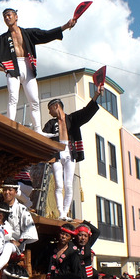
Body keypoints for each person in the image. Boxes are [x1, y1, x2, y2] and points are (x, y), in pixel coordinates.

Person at [0, 8, 77, 130]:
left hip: (27, 66)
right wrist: (2, 68)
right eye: (4, 17)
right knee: (13, 97)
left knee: (34, 100)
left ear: (16, 17)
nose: (7, 18)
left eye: (9, 15)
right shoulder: (2, 39)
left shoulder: (28, 33)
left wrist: (65, 26)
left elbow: (45, 35)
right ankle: (9, 125)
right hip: (13, 68)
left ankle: (38, 129)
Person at [43, 86, 103, 220]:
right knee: (59, 184)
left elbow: (86, 112)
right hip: (57, 154)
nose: (49, 112)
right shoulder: (51, 123)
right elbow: (44, 136)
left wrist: (96, 95)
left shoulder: (72, 119)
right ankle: (61, 213)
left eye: (50, 109)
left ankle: (66, 212)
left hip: (70, 153)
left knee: (68, 184)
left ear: (56, 106)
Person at [0, 179, 38, 256]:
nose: (7, 192)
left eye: (10, 190)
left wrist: (19, 242)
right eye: (5, 190)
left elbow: (29, 230)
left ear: (16, 192)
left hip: (12, 244)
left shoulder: (21, 209)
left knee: (7, 247)